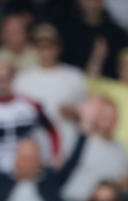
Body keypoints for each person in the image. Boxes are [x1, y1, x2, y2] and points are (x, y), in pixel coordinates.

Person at [14, 25, 87, 156]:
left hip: (68, 144)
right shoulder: (22, 80)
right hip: (34, 149)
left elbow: (87, 115)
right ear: (35, 48)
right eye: (41, 46)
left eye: (50, 45)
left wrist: (74, 113)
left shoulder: (75, 76)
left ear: (59, 47)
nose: (46, 50)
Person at [0, 59, 59, 174]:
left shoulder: (31, 105)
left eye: (6, 78)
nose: (2, 83)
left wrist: (55, 155)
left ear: (12, 79)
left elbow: (52, 131)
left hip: (29, 167)